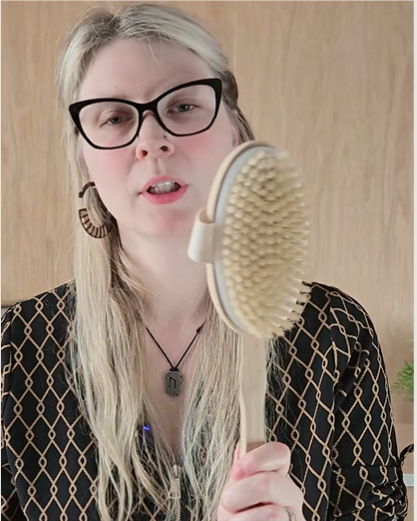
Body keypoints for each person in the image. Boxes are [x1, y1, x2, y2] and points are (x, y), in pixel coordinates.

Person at [1, 3, 410, 521]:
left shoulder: (334, 334)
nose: (152, 140)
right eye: (115, 117)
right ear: (84, 156)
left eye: (182, 106)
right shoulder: (14, 351)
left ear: (233, 126)